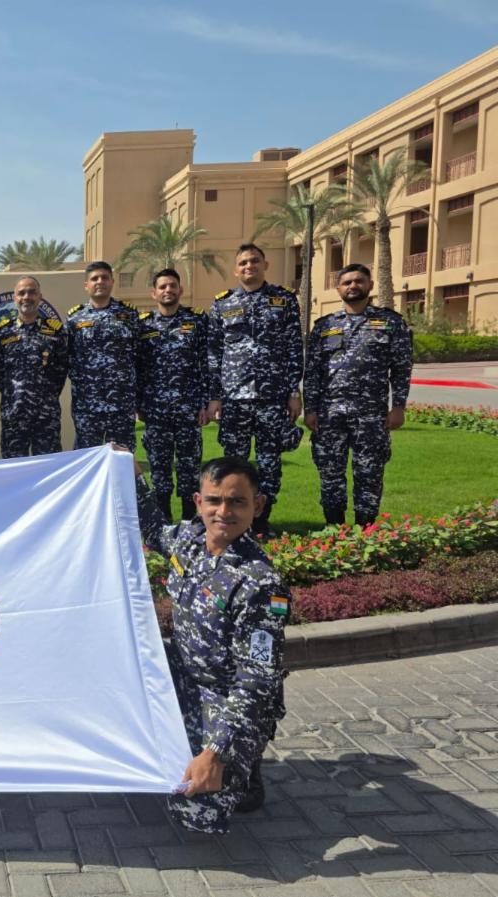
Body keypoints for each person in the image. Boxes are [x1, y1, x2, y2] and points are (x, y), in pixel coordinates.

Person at [132, 454, 290, 833]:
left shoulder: (261, 585)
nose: (224, 512)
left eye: (237, 501)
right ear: (198, 501)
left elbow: (256, 681)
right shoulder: (189, 541)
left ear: (257, 506)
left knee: (194, 809)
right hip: (182, 679)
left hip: (227, 697)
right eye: (214, 500)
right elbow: (152, 529)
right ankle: (226, 762)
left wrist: (216, 752)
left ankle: (242, 768)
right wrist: (132, 476)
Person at [304, 263, 413, 527]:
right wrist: (311, 409)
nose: (353, 286)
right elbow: (313, 372)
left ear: (370, 285)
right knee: (330, 473)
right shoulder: (325, 326)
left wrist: (398, 406)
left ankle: (366, 530)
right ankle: (334, 529)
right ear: (338, 288)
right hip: (330, 414)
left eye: (359, 281)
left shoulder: (390, 323)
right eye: (347, 282)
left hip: (371, 415)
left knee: (369, 473)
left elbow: (401, 368)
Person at [206, 244, 303, 536]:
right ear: (236, 270)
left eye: (254, 261)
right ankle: (236, 523)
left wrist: (293, 392)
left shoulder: (283, 300)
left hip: (272, 397)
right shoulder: (222, 303)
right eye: (244, 263)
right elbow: (213, 353)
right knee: (234, 464)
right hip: (234, 399)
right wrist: (214, 396)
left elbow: (294, 348)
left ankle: (261, 522)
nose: (249, 266)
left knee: (269, 463)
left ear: (265, 265)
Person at [137, 268, 209, 523]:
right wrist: (139, 403)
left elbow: (206, 363)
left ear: (180, 290)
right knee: (159, 469)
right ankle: (164, 521)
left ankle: (189, 521)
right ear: (154, 293)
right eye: (163, 286)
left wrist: (205, 403)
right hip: (156, 411)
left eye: (172, 286)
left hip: (189, 409)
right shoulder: (143, 325)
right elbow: (138, 367)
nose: (168, 290)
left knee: (189, 468)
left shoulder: (197, 321)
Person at [0, 276, 68, 457]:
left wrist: (45, 395)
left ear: (40, 297)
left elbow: (61, 370)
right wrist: (14, 394)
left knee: (49, 465)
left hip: (46, 415)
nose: (27, 297)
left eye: (32, 292)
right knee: (14, 467)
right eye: (22, 293)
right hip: (13, 414)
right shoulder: (1, 331)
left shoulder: (56, 331)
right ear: (15, 298)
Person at [67, 261, 140, 449]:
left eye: (104, 278)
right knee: (87, 456)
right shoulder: (75, 318)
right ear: (86, 285)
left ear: (112, 282)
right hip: (87, 404)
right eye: (94, 278)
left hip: (121, 403)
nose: (100, 281)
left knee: (122, 456)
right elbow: (68, 357)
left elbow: (140, 355)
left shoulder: (129, 314)